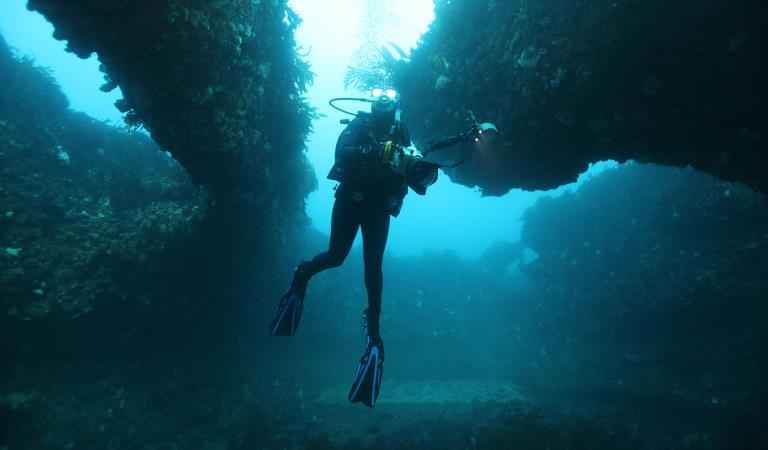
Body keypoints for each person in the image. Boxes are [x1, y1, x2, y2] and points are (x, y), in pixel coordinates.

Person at [270, 87, 478, 408]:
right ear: (373, 102)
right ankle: (303, 274)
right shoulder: (359, 125)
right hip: (351, 200)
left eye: (389, 95)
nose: (383, 100)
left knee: (373, 268)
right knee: (336, 257)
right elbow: (344, 152)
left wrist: (463, 137)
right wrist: (375, 152)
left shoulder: (401, 130)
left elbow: (424, 148)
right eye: (378, 95)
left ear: (395, 103)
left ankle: (375, 336)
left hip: (379, 206)